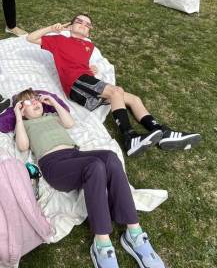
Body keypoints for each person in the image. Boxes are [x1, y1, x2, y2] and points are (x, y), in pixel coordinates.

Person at [13, 89, 165, 268]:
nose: (35, 102)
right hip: (54, 165)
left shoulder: (53, 115)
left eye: (35, 99)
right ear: (23, 111)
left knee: (110, 157)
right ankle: (102, 243)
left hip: (74, 154)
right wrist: (17, 115)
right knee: (95, 166)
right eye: (28, 103)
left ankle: (134, 232)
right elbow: (23, 146)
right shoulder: (25, 125)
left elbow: (69, 123)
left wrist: (53, 102)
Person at [26, 14, 201, 157]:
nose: (83, 25)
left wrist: (90, 69)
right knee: (116, 91)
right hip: (75, 84)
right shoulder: (58, 41)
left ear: (89, 32)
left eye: (87, 25)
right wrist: (51, 28)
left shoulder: (89, 45)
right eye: (79, 22)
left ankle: (162, 131)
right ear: (70, 26)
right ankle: (129, 138)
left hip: (87, 81)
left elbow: (77, 61)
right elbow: (30, 38)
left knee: (134, 99)